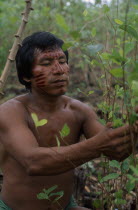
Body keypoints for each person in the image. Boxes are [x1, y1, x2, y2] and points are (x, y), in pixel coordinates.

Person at [0, 31, 136, 210]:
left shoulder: (79, 111)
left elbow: (116, 151)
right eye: (46, 63)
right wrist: (98, 146)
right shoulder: (11, 112)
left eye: (62, 62)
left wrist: (133, 128)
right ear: (26, 76)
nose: (59, 70)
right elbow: (33, 163)